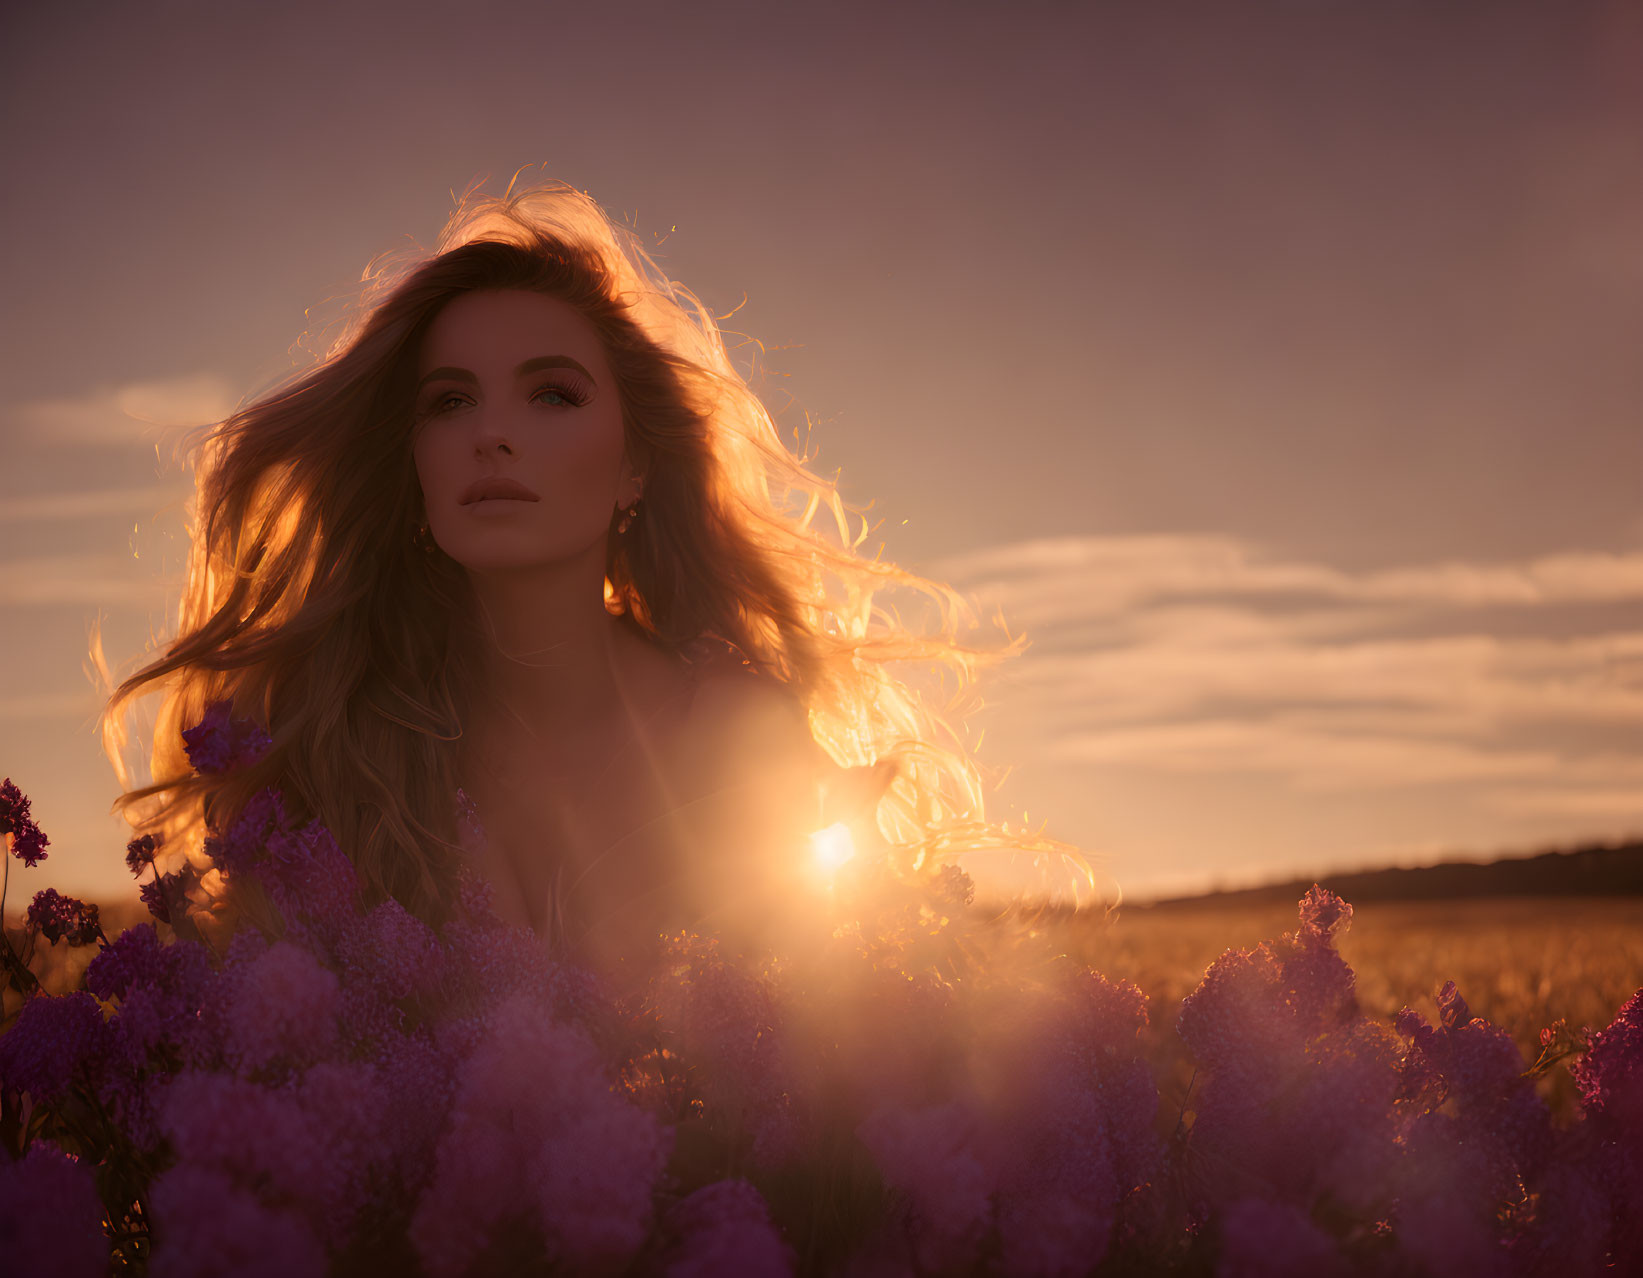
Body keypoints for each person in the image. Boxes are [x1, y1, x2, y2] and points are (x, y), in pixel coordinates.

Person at [98, 175, 1017, 979]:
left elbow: (821, 1065)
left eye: (552, 395)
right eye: (450, 402)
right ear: (412, 471)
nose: (490, 434)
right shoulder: (339, 744)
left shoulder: (734, 734)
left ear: (634, 469)